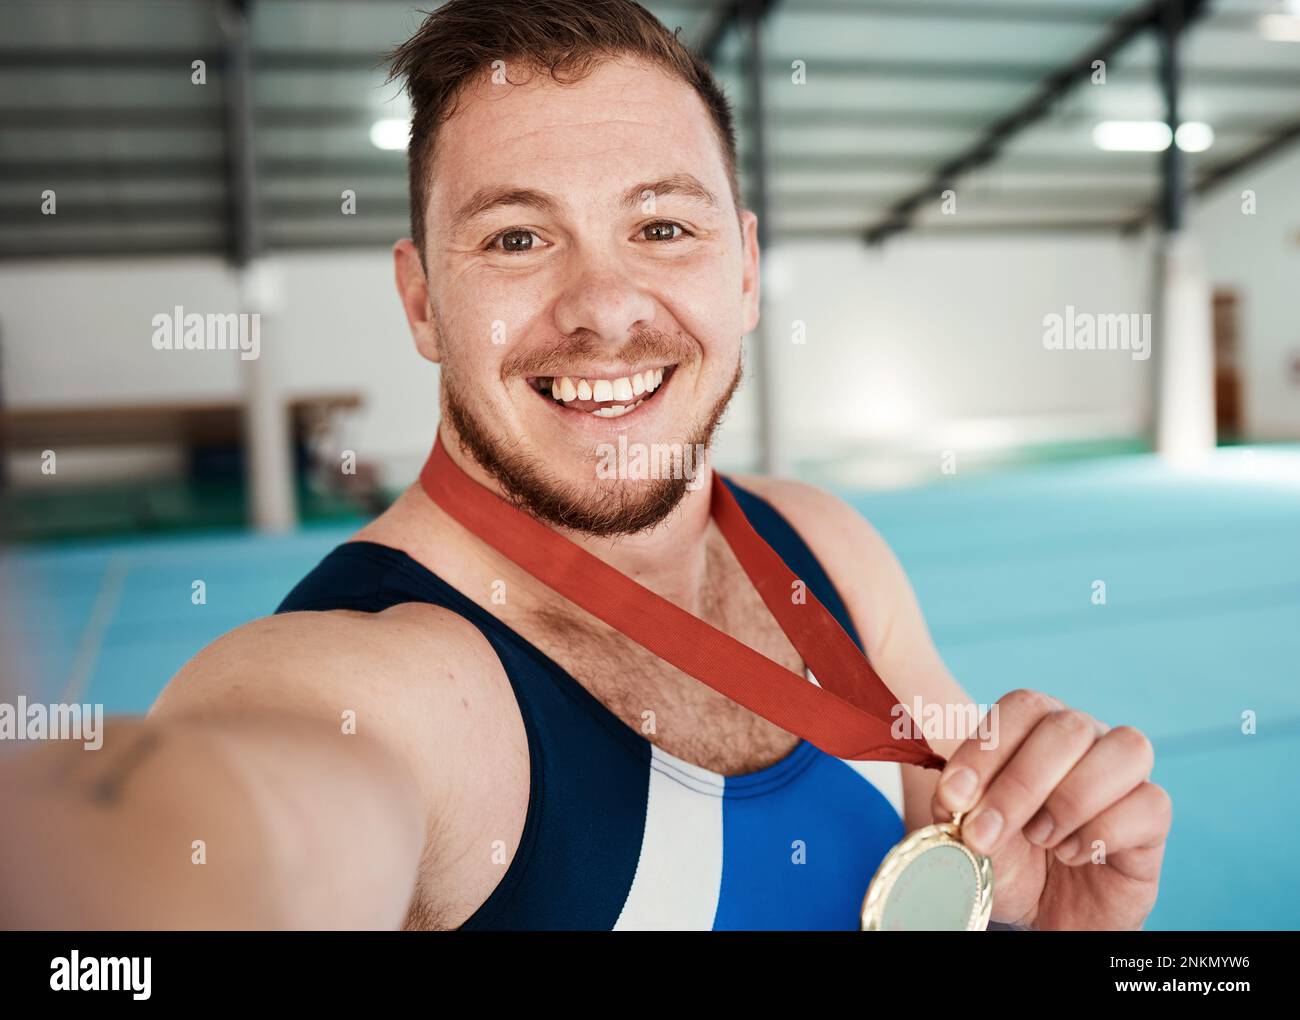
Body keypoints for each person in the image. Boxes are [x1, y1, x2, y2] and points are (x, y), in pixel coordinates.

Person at [0, 0, 1170, 930]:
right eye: (517, 237)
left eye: (663, 226)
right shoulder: (389, 691)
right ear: (422, 300)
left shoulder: (828, 551)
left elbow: (968, 864)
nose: (605, 309)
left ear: (747, 270)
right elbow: (226, 826)